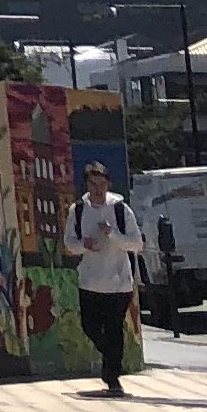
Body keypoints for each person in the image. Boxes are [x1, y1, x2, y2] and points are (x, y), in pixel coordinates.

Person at [66, 161, 143, 394]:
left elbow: (136, 243)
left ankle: (112, 377)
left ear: (108, 184)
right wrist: (84, 246)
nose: (98, 189)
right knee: (89, 326)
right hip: (89, 280)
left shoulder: (120, 209)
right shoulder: (78, 210)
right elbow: (69, 244)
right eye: (93, 184)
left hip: (118, 283)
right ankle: (109, 356)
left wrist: (113, 234)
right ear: (86, 185)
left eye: (102, 184)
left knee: (114, 328)